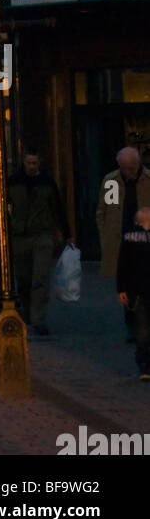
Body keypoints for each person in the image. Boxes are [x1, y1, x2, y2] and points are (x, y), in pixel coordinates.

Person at [7, 150, 67, 336]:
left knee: (40, 277)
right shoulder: (13, 182)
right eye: (29, 163)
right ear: (23, 163)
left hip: (42, 234)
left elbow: (57, 207)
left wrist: (66, 233)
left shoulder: (47, 183)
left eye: (35, 163)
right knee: (24, 278)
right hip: (20, 235)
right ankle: (26, 311)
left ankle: (38, 318)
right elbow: (2, 205)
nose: (32, 166)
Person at [96, 146, 150, 342]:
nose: (128, 172)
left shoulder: (147, 180)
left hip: (144, 240)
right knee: (126, 284)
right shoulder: (112, 181)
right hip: (121, 240)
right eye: (124, 168)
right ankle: (132, 324)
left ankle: (142, 324)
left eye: (131, 167)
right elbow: (104, 210)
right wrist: (106, 235)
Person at [117, 206, 150, 381]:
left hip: (136, 291)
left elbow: (122, 265)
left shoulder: (128, 238)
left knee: (142, 330)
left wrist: (121, 289)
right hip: (141, 290)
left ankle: (144, 365)